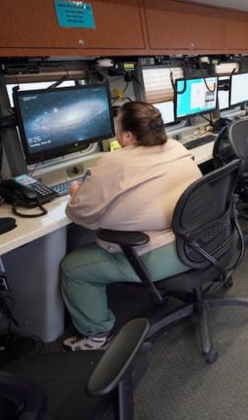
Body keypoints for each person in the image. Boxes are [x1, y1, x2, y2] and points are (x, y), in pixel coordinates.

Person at [60, 101, 202, 351]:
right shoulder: (176, 146)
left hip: (158, 255)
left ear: (127, 135)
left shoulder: (117, 162)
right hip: (200, 242)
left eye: (117, 126)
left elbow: (79, 215)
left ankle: (96, 336)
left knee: (73, 267)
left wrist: (75, 191)